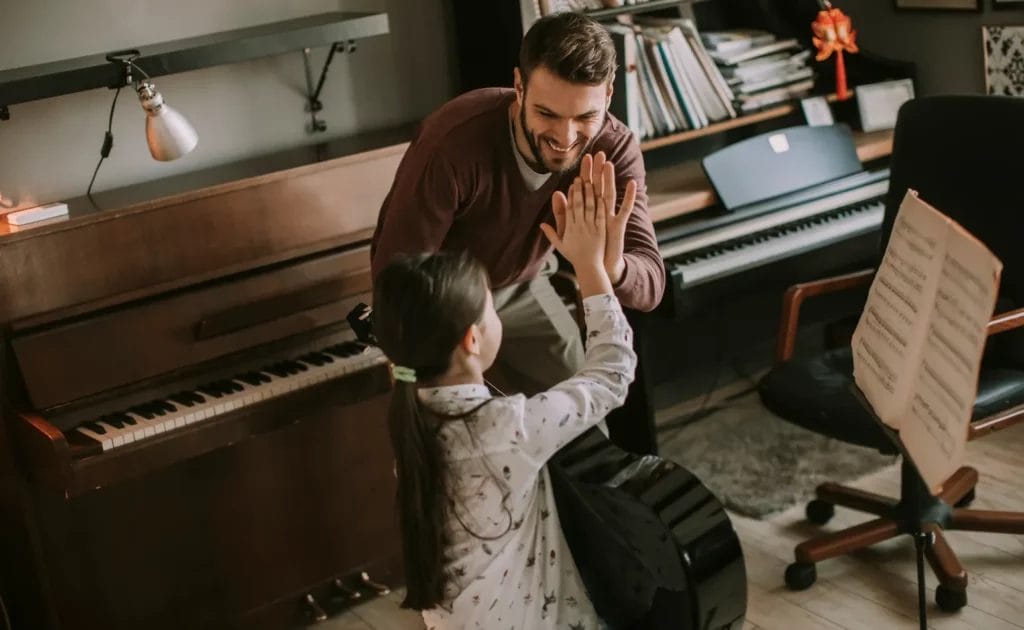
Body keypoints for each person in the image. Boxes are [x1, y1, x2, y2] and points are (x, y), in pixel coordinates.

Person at [372, 177, 636, 629]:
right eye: (492, 310)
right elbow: (612, 375)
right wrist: (591, 268)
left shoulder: (413, 422)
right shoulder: (507, 429)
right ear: (472, 338)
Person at [371, 11, 664, 396]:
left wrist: (612, 266)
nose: (565, 136)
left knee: (583, 407)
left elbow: (651, 285)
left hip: (524, 282)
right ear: (519, 86)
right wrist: (418, 367)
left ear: (609, 95)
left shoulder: (615, 149)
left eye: (585, 116)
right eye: (547, 114)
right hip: (442, 297)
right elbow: (397, 275)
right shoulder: (452, 144)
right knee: (456, 430)